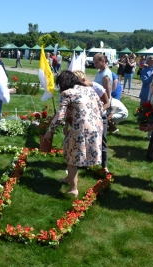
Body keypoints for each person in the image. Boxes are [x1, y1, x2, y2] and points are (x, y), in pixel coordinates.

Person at [43, 70, 103, 198]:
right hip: (96, 127)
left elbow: (60, 116)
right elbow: (101, 106)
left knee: (72, 157)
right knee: (68, 147)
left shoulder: (67, 93)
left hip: (81, 128)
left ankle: (73, 189)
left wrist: (49, 132)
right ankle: (68, 177)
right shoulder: (90, 89)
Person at [93, 53, 112, 173]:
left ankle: (104, 166)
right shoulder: (99, 72)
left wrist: (103, 108)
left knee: (102, 138)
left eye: (96, 63)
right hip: (96, 104)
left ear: (102, 61)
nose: (94, 65)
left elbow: (107, 94)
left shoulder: (105, 74)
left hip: (102, 106)